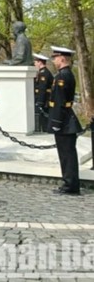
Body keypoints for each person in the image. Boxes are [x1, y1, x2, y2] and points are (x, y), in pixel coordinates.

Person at [48, 46, 83, 195]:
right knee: (66, 154)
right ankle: (69, 183)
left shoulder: (63, 76)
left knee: (67, 155)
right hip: (66, 119)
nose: (54, 60)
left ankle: (70, 185)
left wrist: (56, 122)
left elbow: (60, 101)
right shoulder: (64, 74)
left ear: (62, 58)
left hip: (64, 121)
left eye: (55, 57)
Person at [33, 53, 54, 133]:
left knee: (44, 118)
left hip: (44, 99)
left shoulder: (44, 73)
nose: (34, 63)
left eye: (35, 62)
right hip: (40, 97)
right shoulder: (41, 72)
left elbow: (42, 89)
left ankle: (46, 131)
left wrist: (40, 102)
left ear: (40, 62)